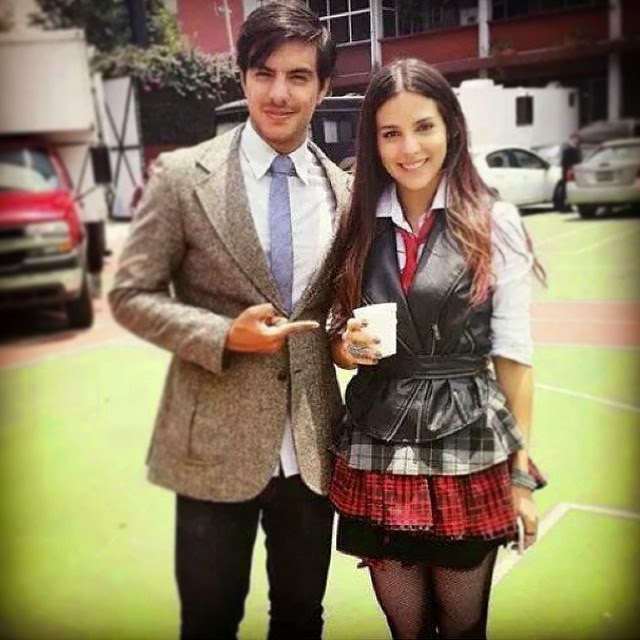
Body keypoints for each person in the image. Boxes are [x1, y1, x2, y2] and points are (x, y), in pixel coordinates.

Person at [109, 3, 351, 639]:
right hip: (212, 446)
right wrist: (222, 335)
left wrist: (343, 339)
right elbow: (130, 294)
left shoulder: (345, 192)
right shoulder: (182, 178)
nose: (279, 93)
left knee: (301, 617)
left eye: (298, 76)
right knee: (209, 621)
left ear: (324, 87)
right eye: (264, 73)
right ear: (243, 77)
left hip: (312, 448)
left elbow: (334, 311)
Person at [327, 58, 546, 639]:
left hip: (467, 445)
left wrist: (521, 479)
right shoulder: (355, 223)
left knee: (463, 625)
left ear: (450, 125)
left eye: (423, 126)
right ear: (373, 143)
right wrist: (345, 349)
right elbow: (337, 338)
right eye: (390, 133)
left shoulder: (494, 221)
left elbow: (514, 359)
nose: (409, 148)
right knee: (406, 627)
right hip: (377, 446)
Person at [560, 132, 582, 211]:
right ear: (571, 139)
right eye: (574, 139)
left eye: (577, 139)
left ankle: (570, 205)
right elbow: (564, 162)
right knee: (567, 188)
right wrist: (569, 169)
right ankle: (565, 206)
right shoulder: (568, 150)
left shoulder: (577, 149)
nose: (576, 140)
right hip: (568, 171)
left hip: (575, 171)